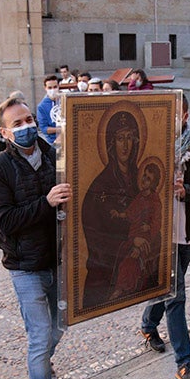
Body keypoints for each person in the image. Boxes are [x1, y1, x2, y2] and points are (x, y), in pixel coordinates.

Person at [0, 96, 73, 379]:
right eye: (17, 124)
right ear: (6, 132)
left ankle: (42, 368)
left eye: (27, 120)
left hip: (58, 259)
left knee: (59, 327)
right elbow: (4, 221)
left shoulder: (54, 156)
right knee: (39, 338)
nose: (25, 127)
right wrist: (46, 202)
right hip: (24, 266)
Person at [138, 94, 190, 379]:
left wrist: (188, 191)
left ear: (185, 116)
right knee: (176, 295)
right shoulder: (149, 146)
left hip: (187, 231)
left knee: (168, 288)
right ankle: (185, 362)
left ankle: (148, 324)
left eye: (176, 114)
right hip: (160, 235)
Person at [81, 108, 141, 309]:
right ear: (110, 143)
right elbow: (94, 231)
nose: (125, 145)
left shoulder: (142, 178)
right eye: (120, 138)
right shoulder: (100, 185)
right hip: (106, 268)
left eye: (130, 138)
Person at [109, 161, 163, 300]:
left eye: (148, 179)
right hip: (134, 235)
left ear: (154, 183)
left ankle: (123, 289)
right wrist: (119, 214)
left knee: (131, 262)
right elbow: (130, 212)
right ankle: (121, 288)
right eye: (144, 176)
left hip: (146, 238)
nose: (144, 180)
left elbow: (157, 222)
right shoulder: (139, 196)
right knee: (124, 260)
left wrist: (149, 228)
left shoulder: (155, 200)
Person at [36, 75, 62, 144]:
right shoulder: (41, 106)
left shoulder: (66, 100)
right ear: (45, 88)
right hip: (53, 141)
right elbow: (43, 128)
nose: (53, 90)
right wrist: (61, 130)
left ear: (58, 86)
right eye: (50, 88)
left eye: (55, 87)